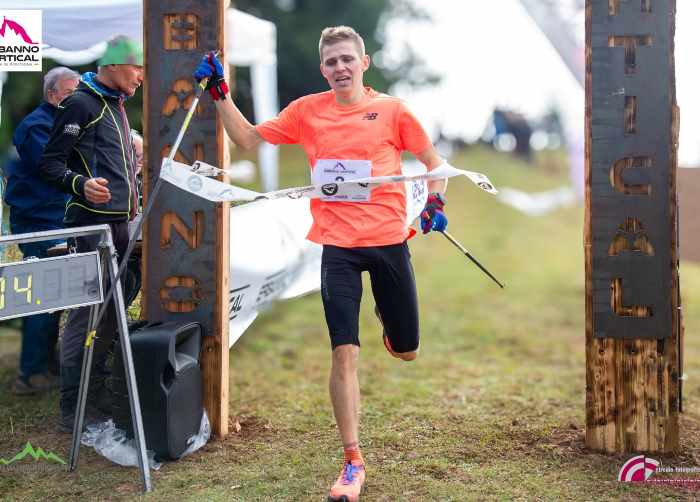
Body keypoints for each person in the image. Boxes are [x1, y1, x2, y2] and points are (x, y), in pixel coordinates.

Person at [194, 26, 448, 502]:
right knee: (343, 353)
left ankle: (390, 323)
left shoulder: (393, 111)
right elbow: (247, 139)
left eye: (348, 59)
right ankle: (352, 460)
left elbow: (433, 161)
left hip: (389, 241)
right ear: (322, 69)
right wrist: (218, 94)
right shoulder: (308, 111)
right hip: (337, 248)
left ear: (364, 63)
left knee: (408, 349)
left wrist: (434, 202)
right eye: (331, 62)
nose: (340, 68)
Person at [38, 35, 143, 432]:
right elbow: (49, 165)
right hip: (88, 226)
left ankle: (95, 394)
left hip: (117, 224)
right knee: (86, 314)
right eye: (137, 68)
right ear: (114, 65)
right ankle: (72, 408)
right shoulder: (81, 102)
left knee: (115, 308)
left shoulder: (113, 104)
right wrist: (80, 184)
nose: (142, 77)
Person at [5, 66, 79, 395]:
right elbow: (52, 168)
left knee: (56, 295)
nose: (77, 99)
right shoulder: (36, 126)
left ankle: (45, 365)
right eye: (70, 92)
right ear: (52, 94)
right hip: (38, 221)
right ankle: (30, 374)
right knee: (43, 296)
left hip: (56, 218)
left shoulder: (63, 122)